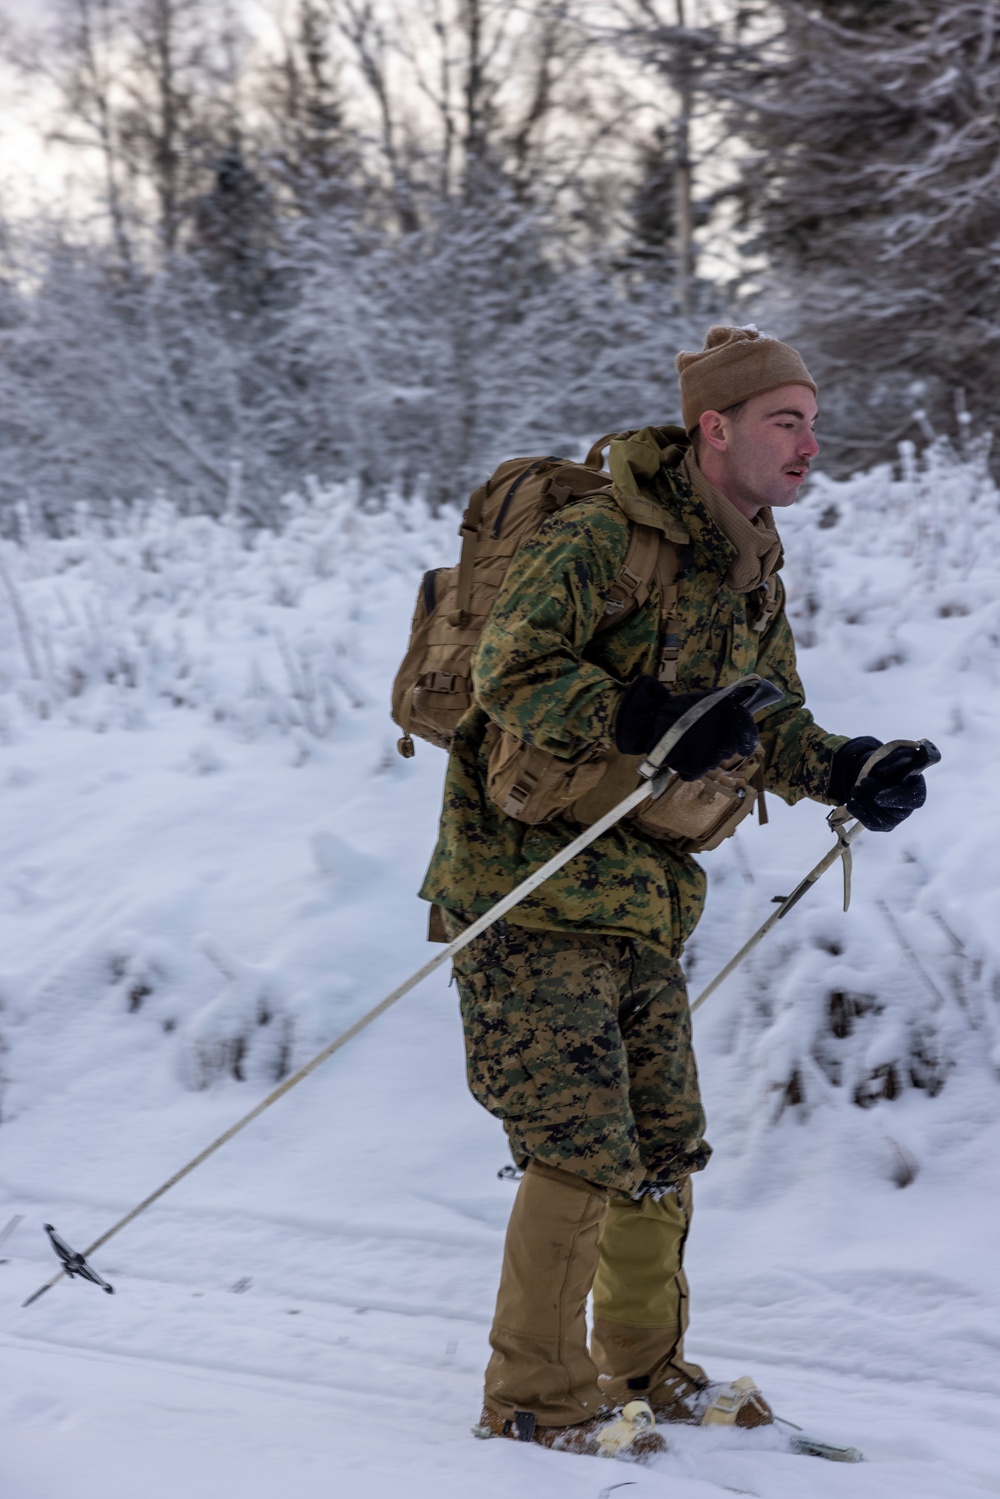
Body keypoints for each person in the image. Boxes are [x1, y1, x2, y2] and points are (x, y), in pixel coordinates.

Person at [418, 325, 930, 1461]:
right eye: (783, 420)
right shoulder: (602, 537)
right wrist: (642, 717)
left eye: (810, 418)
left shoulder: (748, 560)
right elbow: (513, 668)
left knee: (660, 1137)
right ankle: (532, 1395)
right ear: (716, 427)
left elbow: (769, 714)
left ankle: (644, 1367)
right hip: (527, 887)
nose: (810, 442)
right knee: (578, 1140)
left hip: (644, 896)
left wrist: (847, 765)